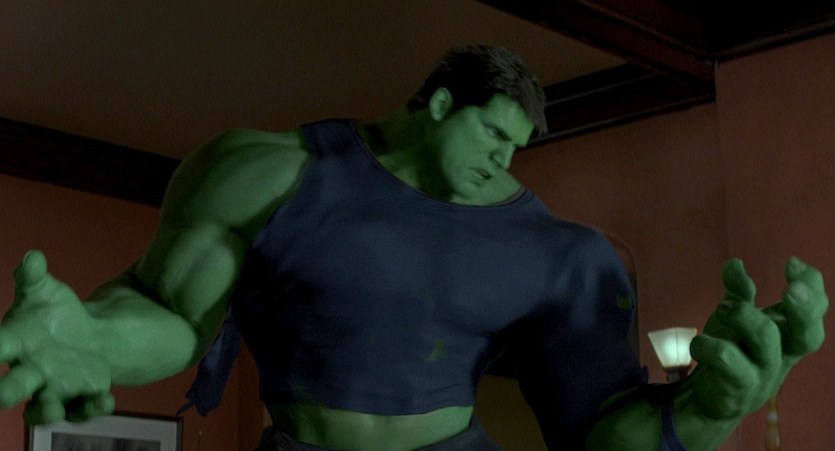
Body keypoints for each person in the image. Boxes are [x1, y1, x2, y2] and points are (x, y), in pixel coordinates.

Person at [0, 45, 828, 450]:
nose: (503, 159)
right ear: (437, 104)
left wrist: (710, 408)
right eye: (492, 133)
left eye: (516, 147)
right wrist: (97, 337)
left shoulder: (561, 255)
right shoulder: (264, 173)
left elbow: (601, 435)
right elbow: (173, 313)